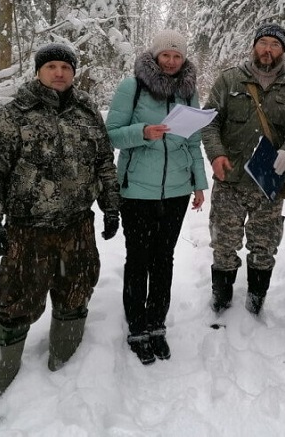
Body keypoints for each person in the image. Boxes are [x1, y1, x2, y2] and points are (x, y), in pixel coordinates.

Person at [0, 42, 120, 416]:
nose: (59, 73)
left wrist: (111, 207)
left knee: (76, 293)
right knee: (16, 302)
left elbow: (104, 162)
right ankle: (2, 384)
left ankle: (64, 370)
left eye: (65, 67)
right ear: (39, 71)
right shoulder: (13, 115)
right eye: (51, 66)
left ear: (73, 73)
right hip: (29, 230)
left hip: (77, 226)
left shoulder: (87, 113)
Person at [106, 30, 208, 365]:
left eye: (177, 56)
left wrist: (198, 184)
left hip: (177, 191)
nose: (171, 61)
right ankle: (137, 326)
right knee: (138, 259)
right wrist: (143, 133)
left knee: (164, 259)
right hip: (137, 191)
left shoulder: (188, 92)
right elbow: (111, 135)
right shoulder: (132, 87)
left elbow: (193, 142)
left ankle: (157, 324)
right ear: (155, 55)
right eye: (166, 55)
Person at [202, 23, 285, 315]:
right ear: (254, 46)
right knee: (223, 245)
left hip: (269, 182)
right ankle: (221, 300)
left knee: (264, 247)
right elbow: (210, 122)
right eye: (263, 42)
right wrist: (216, 154)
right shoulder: (229, 80)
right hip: (230, 179)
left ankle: (256, 300)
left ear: (283, 51)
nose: (268, 49)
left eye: (275, 45)